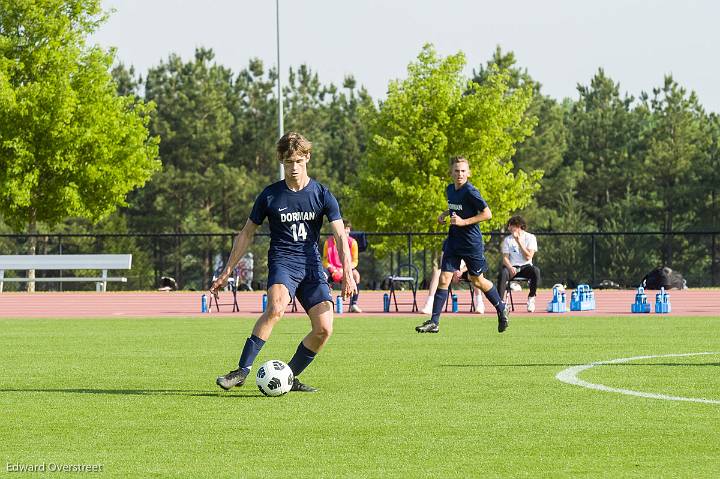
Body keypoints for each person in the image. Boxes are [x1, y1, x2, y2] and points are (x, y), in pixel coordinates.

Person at [210, 132, 356, 393]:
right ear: (281, 161)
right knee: (276, 308)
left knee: (324, 329)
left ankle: (289, 376)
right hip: (283, 262)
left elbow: (340, 236)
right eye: (289, 162)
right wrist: (227, 271)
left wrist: (347, 272)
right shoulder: (270, 196)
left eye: (299, 161)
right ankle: (241, 371)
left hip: (311, 266)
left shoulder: (322, 194)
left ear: (308, 158)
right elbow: (246, 234)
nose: (294, 167)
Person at [415, 156, 509, 334]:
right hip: (453, 241)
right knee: (444, 278)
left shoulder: (471, 191)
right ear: (451, 173)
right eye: (457, 171)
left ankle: (501, 306)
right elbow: (456, 207)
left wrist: (463, 222)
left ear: (469, 173)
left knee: (477, 281)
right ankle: (434, 322)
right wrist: (444, 214)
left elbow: (487, 214)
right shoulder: (450, 189)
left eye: (463, 171)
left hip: (471, 244)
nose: (460, 174)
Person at [498, 215, 540, 312]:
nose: (509, 228)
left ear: (518, 226)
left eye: (511, 226)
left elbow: (528, 257)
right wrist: (509, 267)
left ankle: (531, 298)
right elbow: (505, 258)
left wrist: (519, 242)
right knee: (503, 273)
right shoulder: (507, 240)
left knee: (536, 271)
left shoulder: (530, 238)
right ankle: (500, 303)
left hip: (526, 267)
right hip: (512, 268)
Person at [322, 220, 362, 312]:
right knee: (323, 276)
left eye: (348, 229)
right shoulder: (328, 242)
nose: (347, 231)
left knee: (356, 275)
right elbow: (324, 260)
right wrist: (333, 269)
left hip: (346, 269)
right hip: (332, 270)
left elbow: (355, 261)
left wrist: (343, 270)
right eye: (344, 229)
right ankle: (325, 304)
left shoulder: (353, 243)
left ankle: (353, 304)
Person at [420, 258, 484, 315]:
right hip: (451, 270)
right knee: (437, 273)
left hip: (466, 271)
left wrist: (461, 271)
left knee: (476, 275)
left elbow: (472, 263)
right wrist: (453, 271)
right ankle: (429, 305)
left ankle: (480, 304)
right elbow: (445, 262)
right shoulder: (448, 245)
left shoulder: (468, 245)